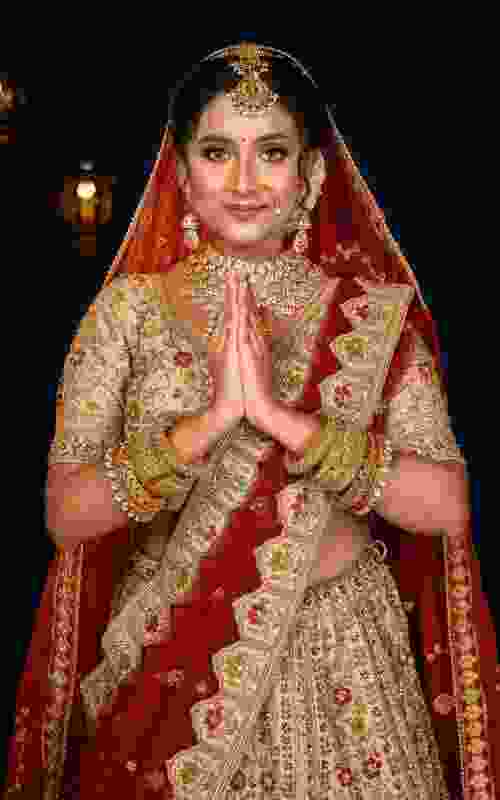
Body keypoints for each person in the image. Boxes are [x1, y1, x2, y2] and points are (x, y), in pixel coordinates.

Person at [4, 42, 499, 799]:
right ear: (181, 174)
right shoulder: (127, 314)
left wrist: (281, 419)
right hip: (176, 659)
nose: (242, 181)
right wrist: (205, 427)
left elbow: (445, 506)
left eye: (271, 152)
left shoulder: (372, 317)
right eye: (216, 152)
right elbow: (67, 514)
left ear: (311, 175)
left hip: (347, 659)